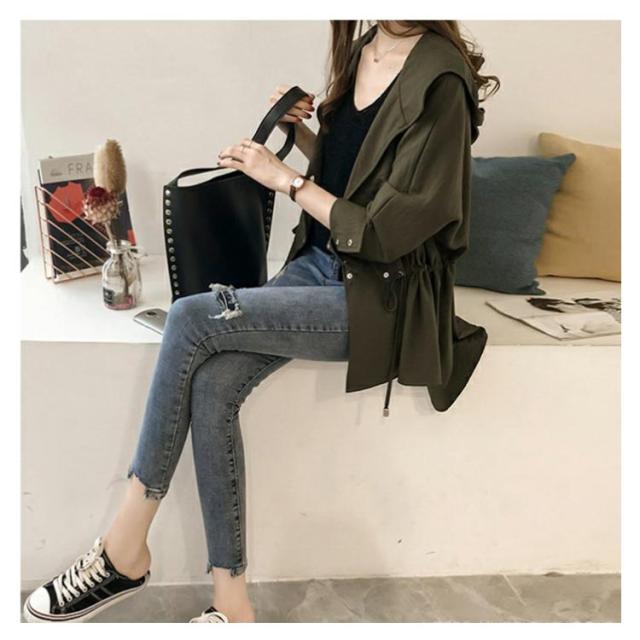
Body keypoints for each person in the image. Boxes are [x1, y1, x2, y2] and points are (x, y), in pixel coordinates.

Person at [23, 20, 498, 623]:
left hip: (380, 297)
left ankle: (123, 550)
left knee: (190, 318)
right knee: (212, 384)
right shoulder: (364, 47)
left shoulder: (441, 82)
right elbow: (357, 179)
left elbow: (382, 232)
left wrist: (283, 179)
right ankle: (233, 607)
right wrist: (300, 134)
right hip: (316, 266)